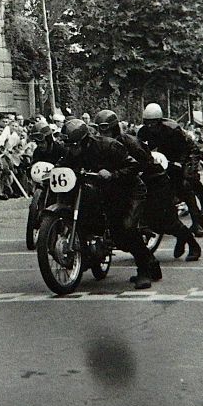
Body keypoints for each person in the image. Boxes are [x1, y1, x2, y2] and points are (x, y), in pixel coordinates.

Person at [59, 118, 160, 288]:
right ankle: (90, 255)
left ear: (84, 140)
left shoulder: (108, 146)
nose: (71, 149)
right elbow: (62, 165)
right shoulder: (71, 152)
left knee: (127, 229)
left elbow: (134, 166)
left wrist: (113, 174)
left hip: (130, 191)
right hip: (106, 193)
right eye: (68, 145)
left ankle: (144, 270)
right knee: (109, 231)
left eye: (74, 145)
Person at [93, 109, 200, 262]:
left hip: (154, 182)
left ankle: (192, 244)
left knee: (165, 222)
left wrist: (119, 174)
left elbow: (145, 164)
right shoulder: (100, 146)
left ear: (114, 128)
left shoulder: (130, 143)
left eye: (106, 130)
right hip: (128, 184)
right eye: (100, 130)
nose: (103, 134)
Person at [137, 103, 203, 237]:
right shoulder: (143, 132)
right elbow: (140, 149)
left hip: (183, 155)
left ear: (159, 121)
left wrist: (180, 163)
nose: (150, 126)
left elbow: (185, 149)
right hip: (162, 158)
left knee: (185, 185)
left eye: (153, 122)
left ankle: (197, 222)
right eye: (147, 122)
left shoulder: (173, 129)